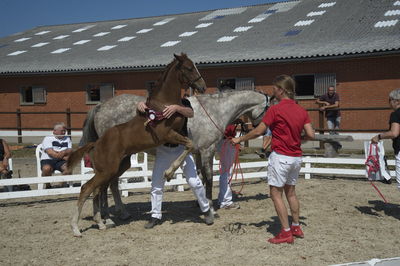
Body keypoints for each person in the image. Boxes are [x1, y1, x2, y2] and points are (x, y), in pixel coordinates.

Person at [231, 75, 315, 244]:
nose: (273, 91)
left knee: (275, 194)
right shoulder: (301, 110)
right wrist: (299, 140)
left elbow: (258, 131)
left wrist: (239, 139)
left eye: (275, 88)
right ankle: (296, 226)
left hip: (281, 157)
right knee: (291, 192)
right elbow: (311, 135)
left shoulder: (275, 109)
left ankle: (285, 232)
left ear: (282, 90)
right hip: (296, 157)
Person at [137, 97, 214, 229]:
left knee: (194, 182)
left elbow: (191, 113)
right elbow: (145, 109)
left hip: (181, 149)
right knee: (156, 184)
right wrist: (140, 105)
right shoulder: (158, 99)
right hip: (163, 150)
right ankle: (155, 215)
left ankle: (206, 209)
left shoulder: (183, 101)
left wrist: (177, 108)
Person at [371, 88, 400, 190]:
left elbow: (394, 133)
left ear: (396, 101)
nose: (389, 103)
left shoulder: (396, 114)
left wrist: (379, 136)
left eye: (390, 100)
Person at [217, 121, 241, 210]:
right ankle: (225, 201)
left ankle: (222, 199)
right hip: (226, 139)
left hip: (226, 139)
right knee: (227, 172)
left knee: (226, 171)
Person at [40, 122, 72, 188]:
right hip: (48, 159)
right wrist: (64, 155)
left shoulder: (67, 138)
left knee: (68, 168)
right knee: (46, 169)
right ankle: (47, 184)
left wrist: (64, 151)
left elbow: (70, 150)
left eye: (64, 131)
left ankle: (62, 184)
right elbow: (51, 153)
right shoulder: (48, 138)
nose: (64, 132)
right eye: (62, 131)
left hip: (60, 161)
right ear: (54, 131)